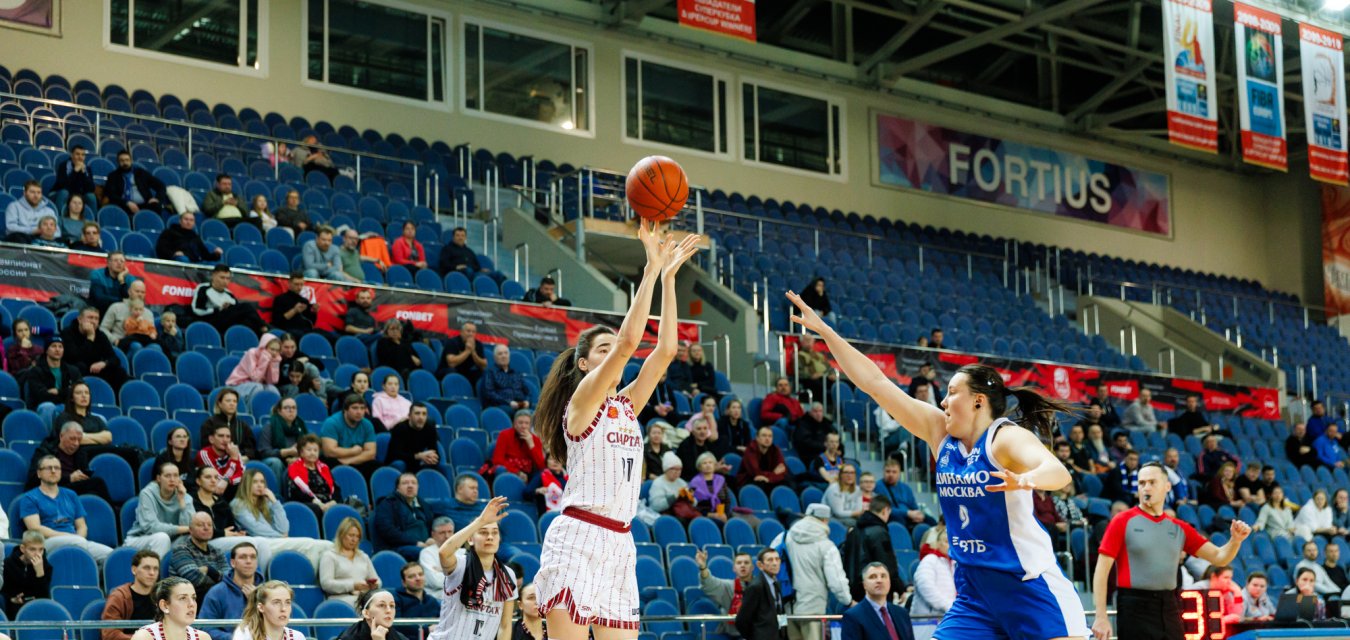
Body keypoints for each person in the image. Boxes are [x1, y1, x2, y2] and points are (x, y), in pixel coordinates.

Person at [787, 291, 1091, 640]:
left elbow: (1057, 471)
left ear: (978, 401)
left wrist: (1026, 480)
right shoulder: (937, 431)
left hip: (1028, 586)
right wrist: (827, 333)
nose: (943, 400)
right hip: (974, 590)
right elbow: (875, 383)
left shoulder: (1004, 438)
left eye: (951, 392)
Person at [532, 222, 699, 639]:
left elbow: (664, 353)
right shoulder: (583, 401)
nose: (613, 354)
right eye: (601, 350)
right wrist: (648, 271)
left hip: (620, 543)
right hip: (578, 535)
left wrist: (669, 279)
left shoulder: (625, 405)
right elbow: (628, 343)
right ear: (586, 364)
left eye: (611, 348)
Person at [1092, 462, 1252, 640]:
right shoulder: (1122, 521)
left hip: (1169, 605)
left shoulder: (1179, 528)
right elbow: (1101, 571)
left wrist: (1235, 541)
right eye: (1142, 483)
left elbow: (1220, 558)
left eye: (1152, 482)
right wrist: (1101, 616)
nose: (1146, 488)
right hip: (1134, 607)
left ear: (1167, 486)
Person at [429, 497, 517, 640]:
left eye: (494, 532)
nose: (490, 537)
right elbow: (443, 552)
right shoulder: (460, 565)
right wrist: (480, 521)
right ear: (470, 539)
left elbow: (505, 625)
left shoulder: (508, 575)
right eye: (483, 532)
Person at [18, 454, 114, 563]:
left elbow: (82, 526)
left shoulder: (71, 495)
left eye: (57, 468)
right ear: (39, 473)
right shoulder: (29, 497)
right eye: (49, 468)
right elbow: (35, 528)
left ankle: (96, 575)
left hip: (77, 541)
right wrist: (71, 537)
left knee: (113, 556)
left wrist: (78, 537)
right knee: (78, 544)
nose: (53, 471)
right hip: (46, 542)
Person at [781, 503, 851, 640]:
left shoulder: (785, 537)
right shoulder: (826, 546)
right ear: (825, 520)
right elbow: (836, 581)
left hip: (788, 605)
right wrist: (847, 600)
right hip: (813, 610)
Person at [28, 423, 114, 504]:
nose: (76, 443)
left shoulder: (80, 454)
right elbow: (34, 478)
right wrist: (69, 478)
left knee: (93, 494)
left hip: (71, 490)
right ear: (61, 436)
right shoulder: (45, 452)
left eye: (79, 440)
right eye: (72, 439)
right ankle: (115, 516)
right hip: (51, 489)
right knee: (97, 483)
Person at [125, 461, 197, 558]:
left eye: (176, 476)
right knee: (162, 538)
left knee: (192, 539)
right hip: (141, 539)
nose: (172, 479)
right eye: (167, 476)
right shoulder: (147, 493)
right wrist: (185, 529)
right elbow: (150, 527)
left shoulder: (184, 496)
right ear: (159, 478)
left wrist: (182, 502)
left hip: (170, 541)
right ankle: (158, 573)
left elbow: (190, 526)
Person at [841, 495, 902, 604]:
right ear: (885, 511)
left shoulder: (853, 531)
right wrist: (900, 588)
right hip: (875, 591)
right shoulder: (880, 532)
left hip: (854, 591)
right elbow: (887, 564)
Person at [199, 542, 260, 640]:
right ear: (232, 563)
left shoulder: (267, 592)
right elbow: (205, 628)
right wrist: (237, 638)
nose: (248, 561)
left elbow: (278, 623)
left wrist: (257, 601)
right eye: (243, 557)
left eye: (253, 557)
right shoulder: (216, 593)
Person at [841, 563, 916, 640]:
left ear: (889, 582)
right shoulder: (853, 616)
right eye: (873, 577)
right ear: (864, 585)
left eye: (883, 576)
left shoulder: (902, 613)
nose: (879, 580)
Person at [373, 472, 437, 561]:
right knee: (426, 554)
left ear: (418, 487)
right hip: (399, 547)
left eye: (413, 483)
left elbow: (430, 526)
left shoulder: (424, 505)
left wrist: (431, 539)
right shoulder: (388, 503)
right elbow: (387, 531)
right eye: (405, 483)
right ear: (397, 488)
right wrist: (416, 543)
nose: (410, 486)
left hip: (423, 545)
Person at [63, 306, 129, 391]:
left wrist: (104, 363)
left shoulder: (100, 335)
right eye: (90, 318)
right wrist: (90, 337)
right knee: (80, 366)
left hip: (95, 369)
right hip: (75, 369)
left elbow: (114, 358)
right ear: (79, 319)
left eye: (96, 319)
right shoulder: (67, 333)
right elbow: (75, 357)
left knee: (119, 371)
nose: (93, 321)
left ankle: (114, 400)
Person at [320, 517, 380, 606]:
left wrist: (373, 585)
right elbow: (326, 584)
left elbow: (378, 581)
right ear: (342, 535)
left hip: (363, 597)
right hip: (340, 600)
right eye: (351, 535)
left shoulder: (363, 556)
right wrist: (353, 586)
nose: (354, 539)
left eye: (357, 536)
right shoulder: (330, 555)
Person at [102, 550, 161, 640]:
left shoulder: (161, 597)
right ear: (134, 570)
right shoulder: (119, 597)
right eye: (146, 568)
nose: (152, 573)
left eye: (156, 569)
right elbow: (110, 634)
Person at [170, 511, 230, 600]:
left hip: (215, 596)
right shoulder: (181, 550)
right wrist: (218, 578)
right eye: (200, 525)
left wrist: (209, 570)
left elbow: (229, 578)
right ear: (190, 529)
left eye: (209, 525)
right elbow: (194, 579)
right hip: (187, 599)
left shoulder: (217, 551)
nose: (206, 528)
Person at [696, 549, 754, 637]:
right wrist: (703, 567)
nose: (743, 565)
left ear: (752, 567)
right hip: (733, 634)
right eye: (739, 563)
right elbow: (708, 583)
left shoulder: (761, 586)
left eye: (746, 563)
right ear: (734, 568)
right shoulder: (728, 586)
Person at [193, 265, 267, 333]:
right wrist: (218, 309)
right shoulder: (203, 288)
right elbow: (197, 310)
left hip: (228, 322)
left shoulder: (229, 294)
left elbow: (237, 312)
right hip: (211, 320)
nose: (225, 281)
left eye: (227, 278)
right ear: (213, 276)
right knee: (246, 306)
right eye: (222, 278)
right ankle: (263, 326)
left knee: (249, 322)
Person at [733, 548, 787, 640]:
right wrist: (754, 637)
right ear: (760, 565)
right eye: (770, 560)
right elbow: (741, 620)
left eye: (777, 559)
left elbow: (780, 612)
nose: (775, 563)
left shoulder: (777, 583)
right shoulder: (755, 587)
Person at [321, 395, 379, 477]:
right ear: (345, 410)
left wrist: (349, 460)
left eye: (362, 408)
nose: (359, 412)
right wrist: (353, 451)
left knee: (375, 465)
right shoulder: (331, 423)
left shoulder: (367, 424)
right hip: (337, 460)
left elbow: (371, 453)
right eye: (355, 408)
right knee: (330, 462)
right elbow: (329, 452)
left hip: (354, 460)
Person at [128, 577, 203, 640]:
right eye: (183, 598)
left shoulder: (202, 638)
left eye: (193, 598)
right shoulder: (144, 637)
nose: (192, 604)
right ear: (164, 605)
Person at [21, 336, 80, 409]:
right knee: (48, 406)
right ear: (46, 350)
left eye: (60, 347)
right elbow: (41, 396)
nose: (57, 349)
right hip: (44, 408)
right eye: (53, 346)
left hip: (67, 407)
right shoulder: (35, 371)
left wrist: (59, 392)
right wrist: (66, 394)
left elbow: (79, 391)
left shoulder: (73, 371)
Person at [227, 333, 282, 411]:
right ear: (264, 347)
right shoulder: (251, 353)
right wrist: (264, 360)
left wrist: (274, 364)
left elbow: (272, 381)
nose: (275, 353)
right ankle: (250, 413)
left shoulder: (274, 358)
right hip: (237, 385)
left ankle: (275, 416)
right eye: (272, 349)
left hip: (256, 384)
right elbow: (255, 378)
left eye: (277, 350)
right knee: (257, 388)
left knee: (273, 389)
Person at [2, 530, 51, 616]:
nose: (37, 554)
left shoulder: (46, 566)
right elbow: (3, 591)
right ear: (23, 549)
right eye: (32, 549)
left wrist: (40, 573)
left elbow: (44, 598)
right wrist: (11, 599)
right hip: (13, 609)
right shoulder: (8, 564)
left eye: (41, 550)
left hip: (37, 609)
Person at [911, 523, 956, 617]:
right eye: (946, 542)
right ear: (938, 543)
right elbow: (926, 588)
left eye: (952, 543)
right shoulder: (929, 560)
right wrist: (950, 607)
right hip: (926, 619)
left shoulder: (953, 564)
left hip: (946, 617)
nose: (950, 546)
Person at [234, 580, 303, 640]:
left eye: (287, 602)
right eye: (276, 602)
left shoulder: (297, 637)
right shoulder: (245, 635)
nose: (283, 609)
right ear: (261, 607)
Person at [104, 150, 167, 215]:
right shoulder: (113, 176)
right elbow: (111, 194)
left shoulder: (141, 173)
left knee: (156, 206)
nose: (125, 163)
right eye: (122, 161)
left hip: (145, 205)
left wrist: (157, 198)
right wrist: (127, 203)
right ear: (118, 162)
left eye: (127, 160)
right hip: (124, 205)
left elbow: (161, 186)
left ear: (131, 161)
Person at [490, 410, 544, 483]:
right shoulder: (504, 435)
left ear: (530, 426)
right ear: (514, 424)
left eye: (527, 423)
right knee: (500, 469)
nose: (523, 426)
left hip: (529, 472)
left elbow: (541, 465)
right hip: (509, 470)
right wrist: (517, 472)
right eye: (520, 423)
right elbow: (497, 460)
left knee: (542, 474)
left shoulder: (535, 439)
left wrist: (531, 445)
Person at [102, 280, 157, 349]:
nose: (140, 294)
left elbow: (152, 330)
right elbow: (103, 328)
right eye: (137, 291)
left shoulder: (149, 313)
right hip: (121, 343)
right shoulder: (116, 307)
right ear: (129, 292)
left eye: (142, 292)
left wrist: (153, 334)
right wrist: (114, 340)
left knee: (156, 347)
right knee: (136, 346)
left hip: (144, 342)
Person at [198, 421, 246, 499]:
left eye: (228, 436)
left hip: (233, 491)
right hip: (213, 494)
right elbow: (218, 480)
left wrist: (228, 480)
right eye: (221, 436)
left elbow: (243, 476)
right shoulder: (204, 454)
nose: (225, 440)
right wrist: (233, 459)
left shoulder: (234, 451)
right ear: (211, 439)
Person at [335, 589, 408, 640]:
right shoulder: (348, 637)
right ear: (366, 613)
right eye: (381, 605)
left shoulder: (399, 637)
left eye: (392, 606)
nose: (389, 611)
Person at [392, 563, 439, 640]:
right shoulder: (395, 599)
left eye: (420, 574)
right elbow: (396, 624)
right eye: (412, 576)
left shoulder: (432, 601)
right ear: (403, 582)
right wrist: (426, 629)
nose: (418, 578)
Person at [737, 426, 791, 492]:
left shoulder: (775, 449)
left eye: (770, 436)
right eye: (764, 435)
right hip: (750, 481)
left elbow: (783, 470)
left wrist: (769, 479)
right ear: (757, 438)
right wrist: (774, 473)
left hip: (767, 480)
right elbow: (756, 473)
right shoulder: (750, 450)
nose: (767, 439)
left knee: (786, 481)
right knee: (760, 482)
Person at [50, 145, 98, 215]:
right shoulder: (63, 166)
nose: (80, 157)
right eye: (77, 154)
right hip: (61, 192)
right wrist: (75, 171)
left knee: (91, 197)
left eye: (83, 155)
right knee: (64, 193)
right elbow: (63, 185)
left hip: (78, 194)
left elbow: (91, 188)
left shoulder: (87, 168)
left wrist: (83, 173)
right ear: (72, 155)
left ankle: (93, 222)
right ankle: (59, 219)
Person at [157, 212, 223, 263]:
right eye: (186, 219)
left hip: (195, 262)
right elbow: (161, 248)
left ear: (194, 223)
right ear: (180, 221)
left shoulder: (195, 236)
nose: (188, 222)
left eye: (191, 220)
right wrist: (174, 253)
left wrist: (216, 254)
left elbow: (205, 255)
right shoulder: (169, 232)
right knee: (183, 259)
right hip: (179, 261)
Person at [483, 344, 530, 411]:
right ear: (495, 358)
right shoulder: (490, 373)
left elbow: (528, 392)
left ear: (509, 356)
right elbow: (489, 393)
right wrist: (509, 402)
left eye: (506, 353)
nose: (504, 356)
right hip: (502, 406)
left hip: (521, 405)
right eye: (500, 354)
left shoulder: (516, 373)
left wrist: (527, 401)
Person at [689, 452, 732, 522]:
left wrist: (725, 515)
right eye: (704, 463)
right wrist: (711, 515)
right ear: (699, 467)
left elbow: (727, 501)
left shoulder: (721, 480)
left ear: (714, 465)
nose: (708, 465)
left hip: (723, 515)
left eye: (710, 462)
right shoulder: (694, 483)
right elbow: (692, 505)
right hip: (704, 517)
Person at [795, 333, 837, 407]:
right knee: (819, 386)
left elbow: (829, 367)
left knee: (843, 384)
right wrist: (811, 375)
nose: (808, 342)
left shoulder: (819, 355)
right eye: (806, 340)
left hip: (824, 377)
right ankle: (822, 407)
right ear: (801, 342)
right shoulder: (799, 355)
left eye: (810, 340)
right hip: (810, 380)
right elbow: (799, 372)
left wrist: (832, 374)